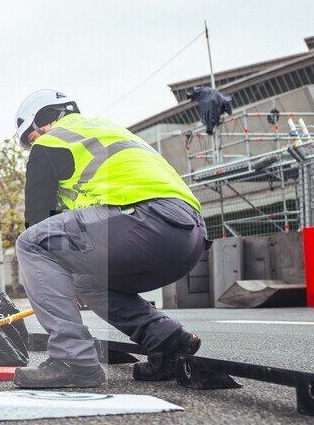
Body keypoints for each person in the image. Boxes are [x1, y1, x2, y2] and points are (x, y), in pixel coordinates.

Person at [11, 89, 209, 388]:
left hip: (144, 223)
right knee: (85, 280)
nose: (32, 146)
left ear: (45, 121)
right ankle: (166, 339)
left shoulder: (51, 141)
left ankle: (72, 360)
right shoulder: (107, 129)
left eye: (30, 139)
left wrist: (56, 272)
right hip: (188, 237)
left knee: (31, 242)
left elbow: (39, 220)